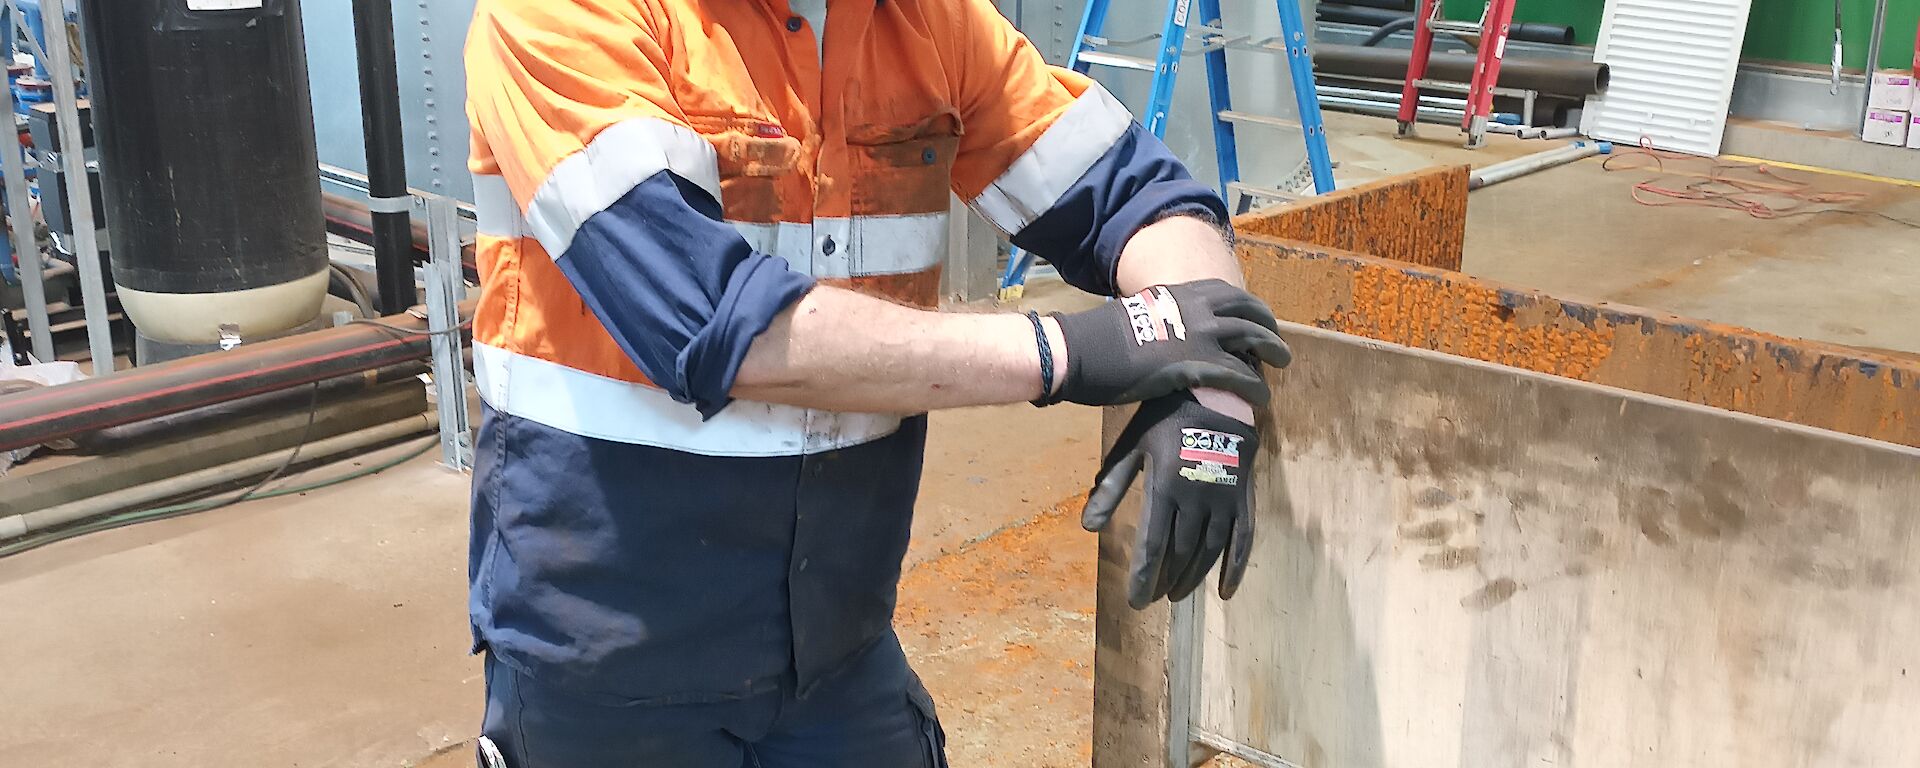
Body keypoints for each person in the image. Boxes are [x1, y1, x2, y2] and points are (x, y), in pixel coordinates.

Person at [461, 0, 1290, 764]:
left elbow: (1142, 197)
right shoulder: (567, 16)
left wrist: (1210, 395)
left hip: (836, 648)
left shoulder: (923, 20)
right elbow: (707, 318)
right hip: (610, 661)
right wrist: (1066, 354)